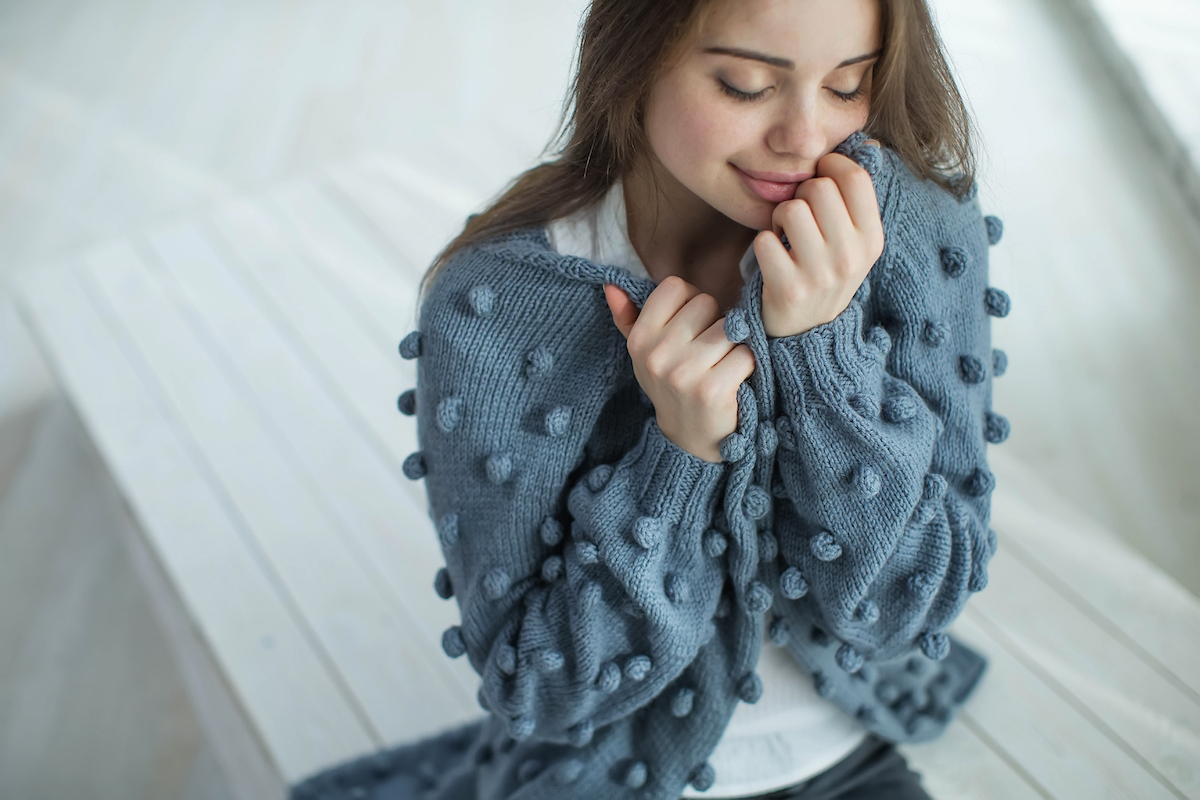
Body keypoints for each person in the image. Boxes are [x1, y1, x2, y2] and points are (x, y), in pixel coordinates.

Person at [291, 0, 1011, 798]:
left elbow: (908, 609)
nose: (805, 137)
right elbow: (542, 687)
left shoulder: (917, 227)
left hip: (851, 755)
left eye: (848, 85)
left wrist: (824, 351)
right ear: (633, 56)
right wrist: (679, 457)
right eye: (745, 85)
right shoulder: (495, 305)